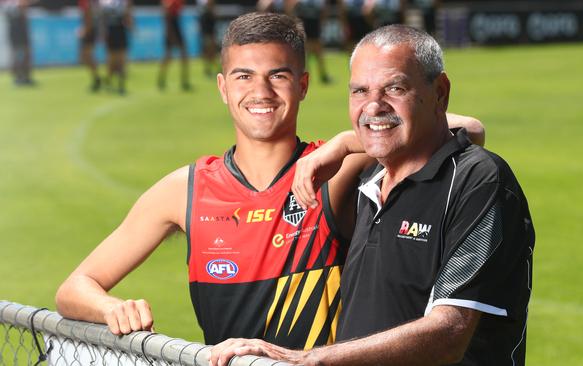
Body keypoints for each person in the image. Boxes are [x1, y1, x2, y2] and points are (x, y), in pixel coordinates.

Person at [55, 13, 484, 350]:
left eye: (277, 76)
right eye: (244, 76)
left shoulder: (338, 171)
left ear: (302, 85)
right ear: (223, 88)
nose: (260, 92)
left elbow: (469, 131)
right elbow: (74, 288)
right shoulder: (183, 190)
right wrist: (113, 307)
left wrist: (341, 144)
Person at [208, 24, 534, 366]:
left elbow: (449, 333)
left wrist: (310, 360)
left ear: (440, 92)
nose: (373, 105)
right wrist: (347, 142)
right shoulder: (370, 180)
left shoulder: (479, 180)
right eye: (360, 91)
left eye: (395, 88)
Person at [285, 0, 331, 84]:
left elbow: (324, 12)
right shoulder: (299, 2)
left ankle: (323, 75)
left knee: (318, 52)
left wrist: (322, 23)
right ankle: (307, 76)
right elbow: (291, 11)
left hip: (315, 26)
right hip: (305, 27)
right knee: (306, 53)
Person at [99, 0, 132, 95]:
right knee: (118, 59)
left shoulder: (107, 3)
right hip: (117, 32)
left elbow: (103, 19)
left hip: (114, 32)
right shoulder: (121, 3)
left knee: (115, 59)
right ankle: (118, 84)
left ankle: (116, 83)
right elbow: (127, 18)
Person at [158, 0, 191, 91]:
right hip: (172, 26)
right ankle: (163, 79)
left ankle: (183, 80)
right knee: (170, 56)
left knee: (178, 56)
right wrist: (171, 34)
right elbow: (166, 14)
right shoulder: (171, 2)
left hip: (174, 25)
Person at [4, 0, 35, 86]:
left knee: (26, 57)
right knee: (17, 58)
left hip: (23, 37)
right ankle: (18, 78)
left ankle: (26, 77)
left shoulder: (19, 9)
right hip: (16, 37)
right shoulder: (11, 7)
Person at [78, 0, 101, 91]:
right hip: (91, 29)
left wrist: (85, 30)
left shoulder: (86, 2)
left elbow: (88, 15)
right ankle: (96, 77)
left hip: (90, 31)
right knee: (86, 56)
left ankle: (97, 78)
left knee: (86, 56)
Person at [196, 0, 218, 78]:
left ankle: (210, 67)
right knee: (208, 51)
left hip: (210, 34)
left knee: (212, 51)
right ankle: (208, 67)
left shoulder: (211, 14)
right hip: (207, 34)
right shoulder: (204, 15)